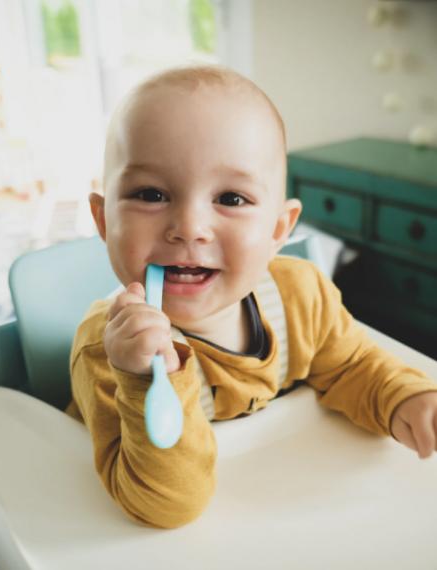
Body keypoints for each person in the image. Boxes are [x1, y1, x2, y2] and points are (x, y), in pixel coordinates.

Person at [67, 65, 437, 529]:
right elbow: (164, 506)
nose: (190, 228)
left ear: (279, 229)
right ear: (104, 221)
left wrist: (404, 398)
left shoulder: (301, 296)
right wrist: (144, 378)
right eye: (151, 193)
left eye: (231, 199)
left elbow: (351, 366)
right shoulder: (108, 351)